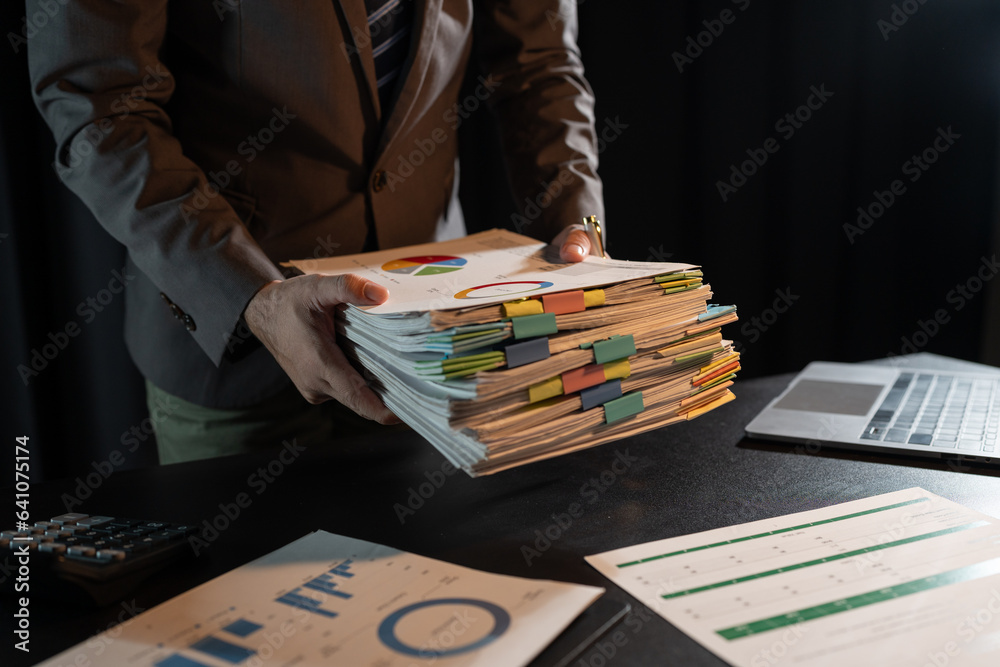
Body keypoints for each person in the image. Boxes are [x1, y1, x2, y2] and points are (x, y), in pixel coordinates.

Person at [27, 0, 605, 463]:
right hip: (235, 353)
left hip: (432, 344)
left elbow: (540, 65)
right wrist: (251, 295)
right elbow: (100, 110)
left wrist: (575, 227)